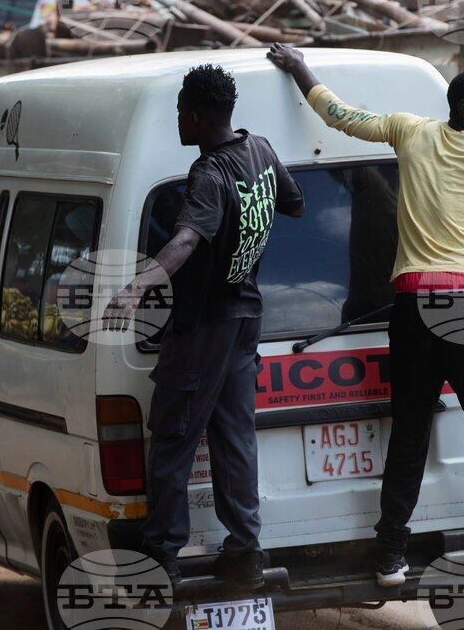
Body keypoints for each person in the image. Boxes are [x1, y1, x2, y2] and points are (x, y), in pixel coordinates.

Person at [266, 44, 464, 587]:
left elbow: (338, 114)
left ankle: (390, 555)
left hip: (414, 309)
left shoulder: (408, 132)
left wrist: (299, 67)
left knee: (409, 433)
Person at [103, 64, 305, 588]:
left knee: (171, 440)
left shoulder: (209, 174)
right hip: (245, 321)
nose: (176, 121)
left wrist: (138, 284)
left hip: (206, 327)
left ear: (194, 117)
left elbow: (187, 239)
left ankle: (162, 560)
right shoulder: (258, 148)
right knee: (235, 440)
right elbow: (296, 204)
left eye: (178, 113)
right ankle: (245, 555)